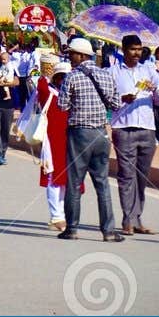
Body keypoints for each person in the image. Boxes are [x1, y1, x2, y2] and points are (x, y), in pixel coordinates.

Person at [56, 37, 124, 241]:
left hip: (80, 133)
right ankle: (109, 231)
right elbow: (116, 104)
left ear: (81, 55)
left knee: (74, 182)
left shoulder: (72, 77)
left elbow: (62, 106)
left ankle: (72, 228)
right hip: (101, 134)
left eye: (71, 54)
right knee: (102, 183)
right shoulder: (106, 75)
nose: (69, 57)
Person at [111, 32, 159, 234]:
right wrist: (122, 99)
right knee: (126, 175)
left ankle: (137, 219)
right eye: (132, 49)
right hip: (123, 128)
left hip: (147, 129)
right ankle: (127, 219)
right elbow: (107, 99)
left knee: (141, 177)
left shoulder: (149, 71)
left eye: (139, 49)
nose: (136, 53)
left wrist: (157, 89)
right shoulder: (113, 72)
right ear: (124, 50)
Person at [35, 55, 72, 230]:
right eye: (61, 77)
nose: (65, 81)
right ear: (55, 78)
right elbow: (41, 83)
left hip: (70, 139)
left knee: (66, 179)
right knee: (52, 176)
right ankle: (56, 216)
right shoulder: (47, 93)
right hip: (51, 140)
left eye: (68, 77)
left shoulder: (73, 96)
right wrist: (46, 68)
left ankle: (62, 214)